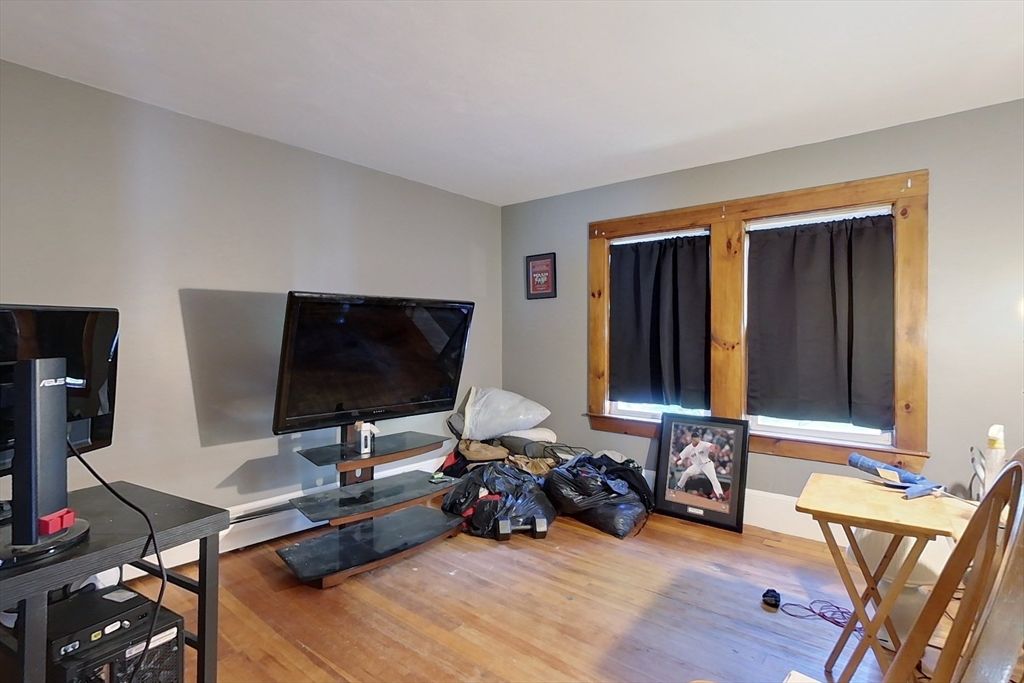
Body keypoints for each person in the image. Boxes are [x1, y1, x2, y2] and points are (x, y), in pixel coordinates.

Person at [673, 430, 724, 501]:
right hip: (697, 466)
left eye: (698, 437)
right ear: (692, 439)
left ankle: (720, 494)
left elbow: (712, 446)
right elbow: (681, 456)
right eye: (695, 438)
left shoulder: (703, 444)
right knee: (686, 473)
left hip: (707, 464)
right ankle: (679, 486)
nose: (697, 439)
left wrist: (712, 450)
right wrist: (676, 461)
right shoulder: (688, 448)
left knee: (713, 479)